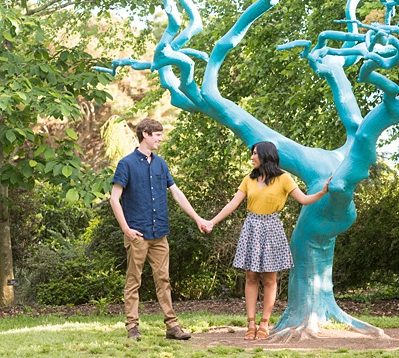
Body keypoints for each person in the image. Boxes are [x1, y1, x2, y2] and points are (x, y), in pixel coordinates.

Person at [206, 141, 329, 340]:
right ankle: (251, 324)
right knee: (251, 276)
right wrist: (212, 221)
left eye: (255, 154)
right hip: (252, 227)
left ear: (265, 156)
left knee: (270, 279)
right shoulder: (249, 179)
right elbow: (233, 204)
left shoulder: (284, 179)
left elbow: (304, 200)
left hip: (272, 228)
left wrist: (323, 192)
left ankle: (265, 323)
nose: (252, 157)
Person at [110, 117, 206, 341]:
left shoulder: (161, 164)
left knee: (164, 280)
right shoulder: (126, 164)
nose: (160, 139)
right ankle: (132, 327)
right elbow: (115, 199)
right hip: (138, 234)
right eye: (157, 135)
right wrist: (126, 229)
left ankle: (172, 327)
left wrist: (197, 218)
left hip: (160, 233)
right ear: (145, 134)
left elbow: (176, 193)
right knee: (134, 281)